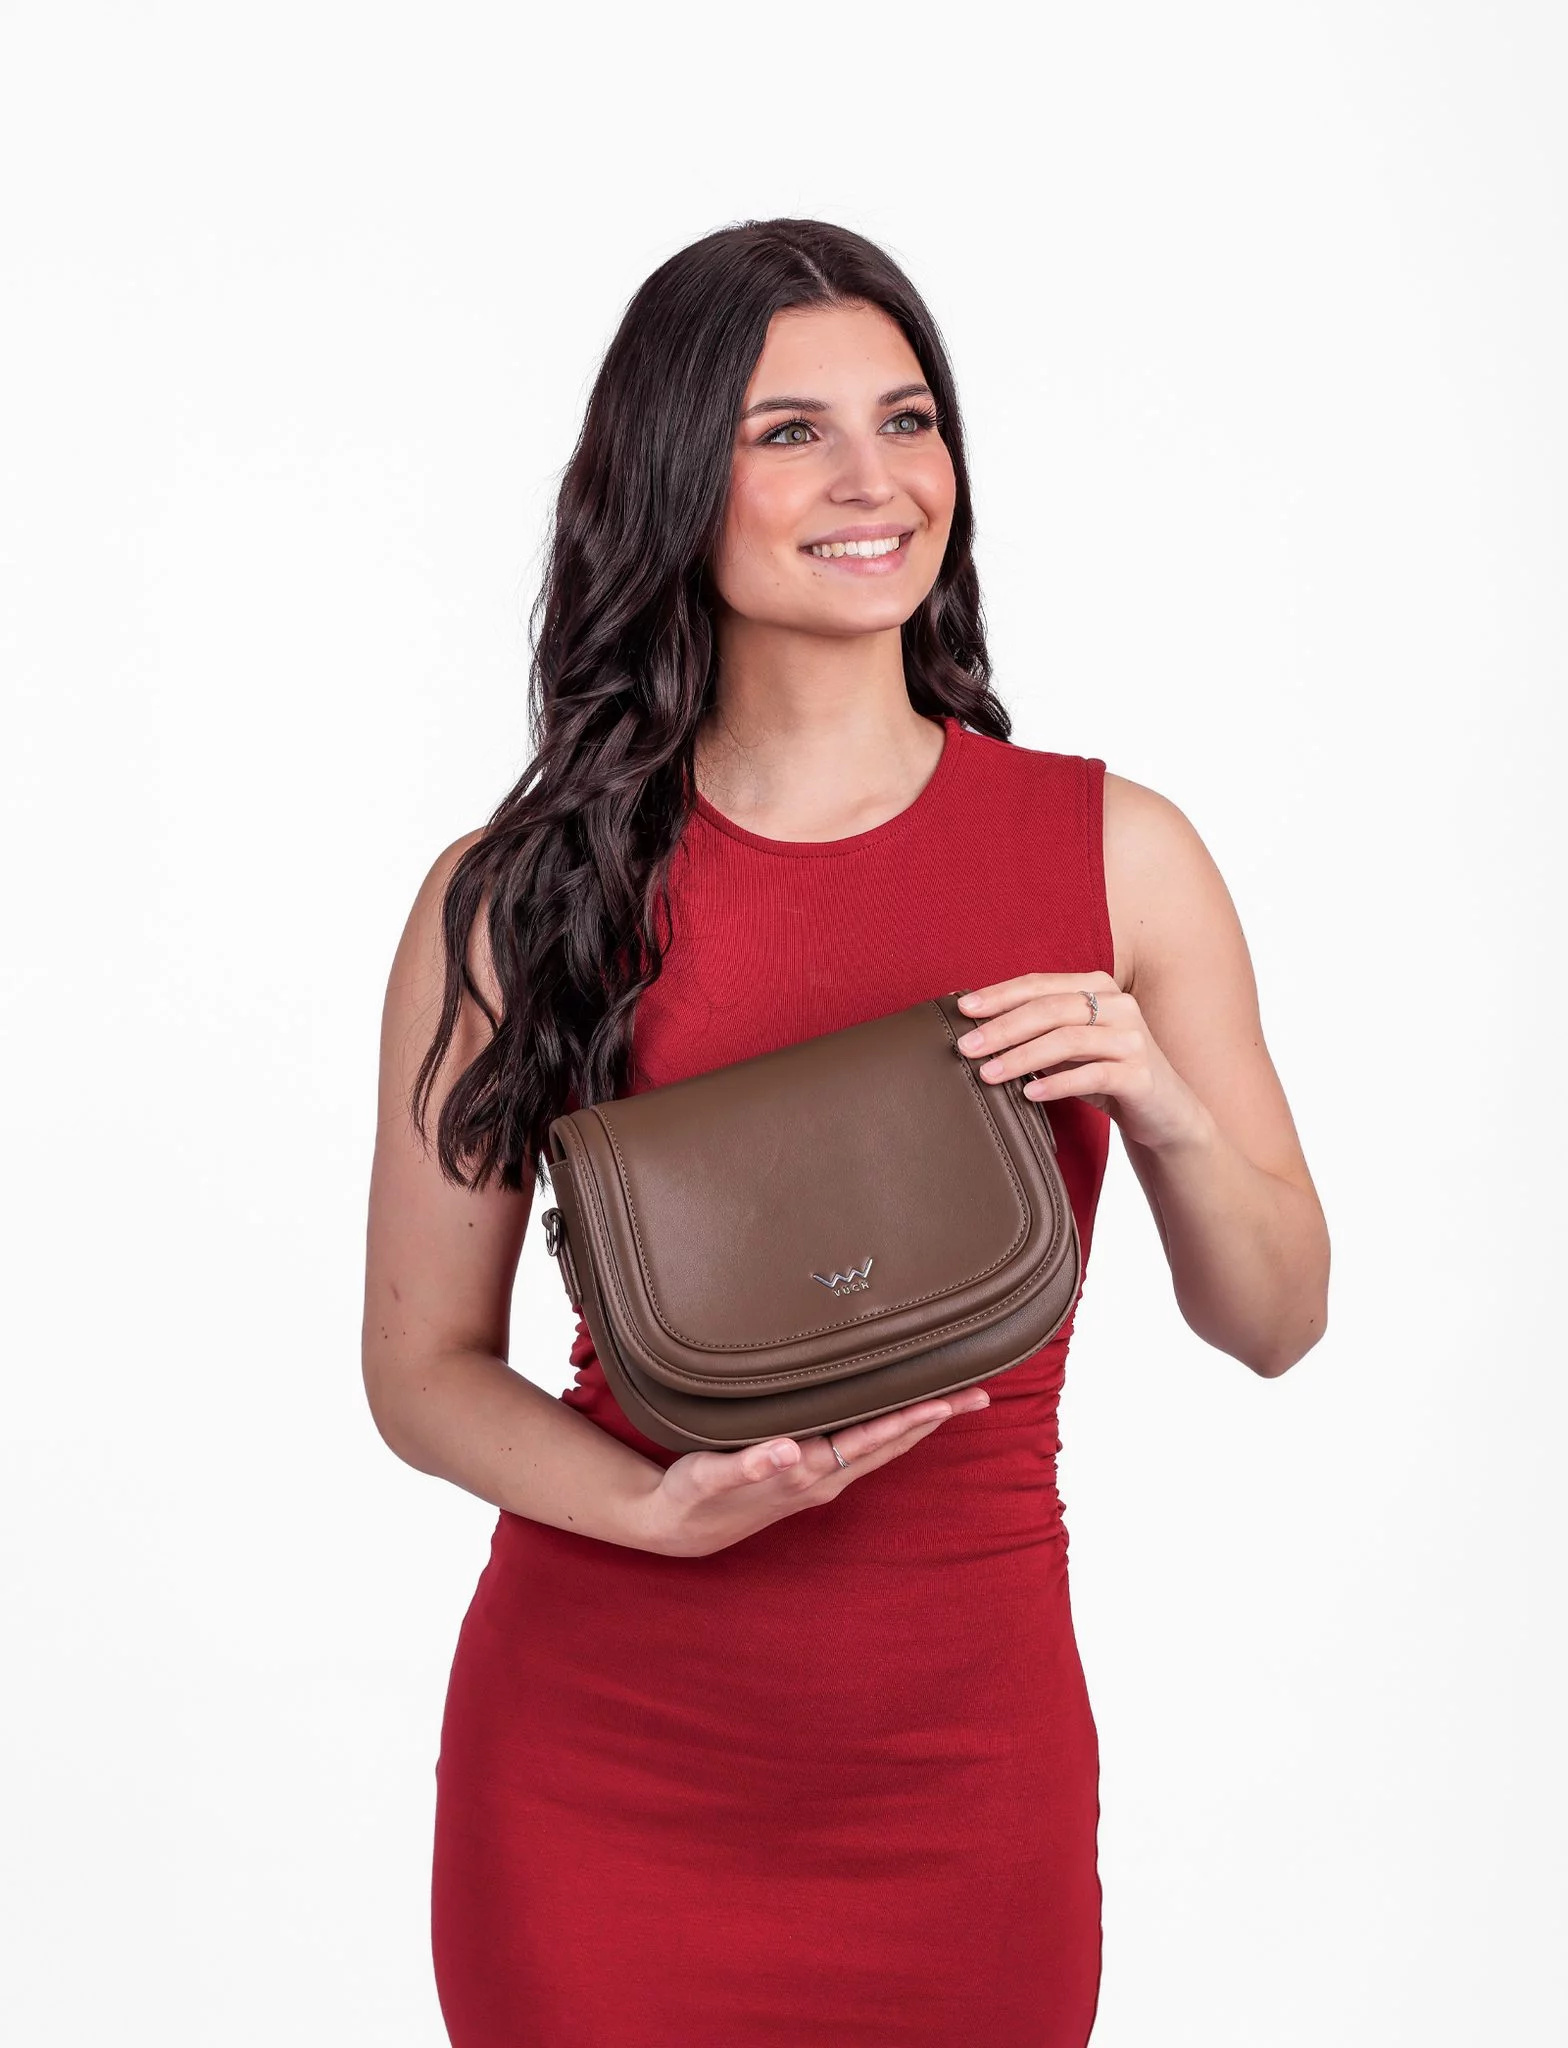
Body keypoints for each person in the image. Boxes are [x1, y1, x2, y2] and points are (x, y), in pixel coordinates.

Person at [361, 217, 1330, 2048]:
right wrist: (656, 1514)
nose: (874, 479)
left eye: (908, 418)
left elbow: (1278, 1320)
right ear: (672, 480)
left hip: (964, 1771)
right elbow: (419, 1370)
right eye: (789, 433)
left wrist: (1163, 1102)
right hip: (600, 1762)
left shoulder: (1119, 856)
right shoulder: (514, 896)